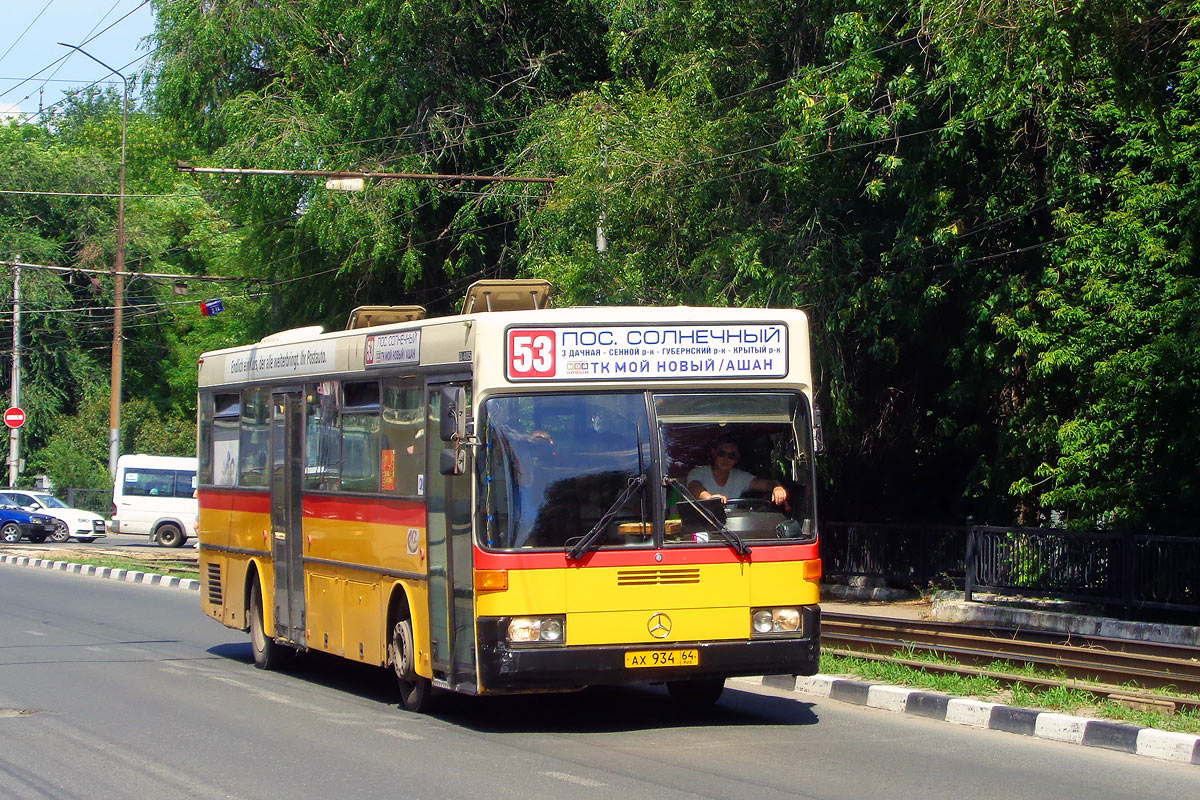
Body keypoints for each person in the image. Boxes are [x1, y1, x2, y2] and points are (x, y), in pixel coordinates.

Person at [686, 438, 788, 507]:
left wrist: (777, 488)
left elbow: (766, 484)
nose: (725, 459)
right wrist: (709, 499)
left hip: (733, 530)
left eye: (731, 456)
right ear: (714, 453)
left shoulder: (740, 477)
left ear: (736, 459)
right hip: (704, 528)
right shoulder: (698, 473)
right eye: (722, 454)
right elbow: (694, 487)